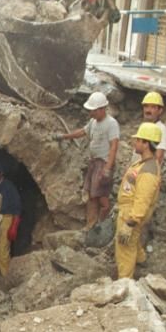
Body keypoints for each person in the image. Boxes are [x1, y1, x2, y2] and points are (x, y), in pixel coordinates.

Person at [55, 91, 120, 229]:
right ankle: (90, 224)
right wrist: (64, 136)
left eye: (93, 111)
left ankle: (101, 226)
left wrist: (108, 168)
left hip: (103, 163)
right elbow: (81, 132)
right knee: (91, 195)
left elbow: (114, 146)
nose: (90, 113)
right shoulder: (93, 122)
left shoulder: (111, 124)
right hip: (94, 162)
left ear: (102, 109)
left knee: (102, 197)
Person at [114, 123, 162, 279]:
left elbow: (143, 199)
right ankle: (141, 260)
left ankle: (125, 283)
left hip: (131, 213)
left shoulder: (149, 171)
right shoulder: (143, 164)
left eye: (138, 140)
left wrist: (131, 222)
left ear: (146, 143)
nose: (135, 143)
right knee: (133, 241)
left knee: (124, 246)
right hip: (128, 210)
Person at [0, 160, 22, 276]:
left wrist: (14, 226)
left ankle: (5, 275)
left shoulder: (9, 187)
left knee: (3, 248)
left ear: (1, 173)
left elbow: (17, 207)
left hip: (6, 218)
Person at [141, 91, 166, 166]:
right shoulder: (143, 126)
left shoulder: (161, 129)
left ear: (160, 110)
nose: (148, 110)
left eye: (153, 107)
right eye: (146, 106)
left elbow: (158, 157)